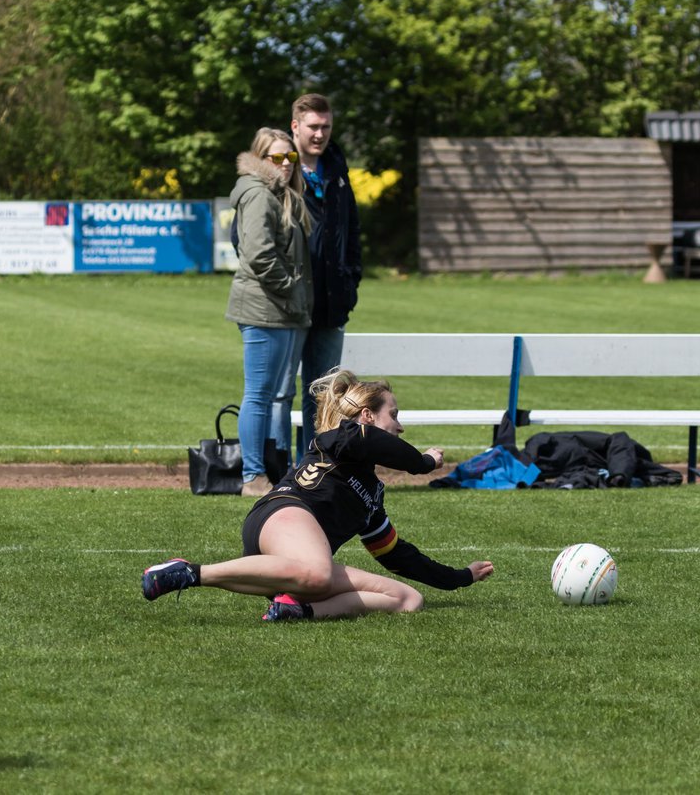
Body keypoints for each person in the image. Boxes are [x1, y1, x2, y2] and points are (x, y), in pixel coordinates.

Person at [143, 369, 495, 620]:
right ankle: (189, 572)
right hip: (281, 516)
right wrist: (423, 462)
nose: (400, 426)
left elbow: (396, 555)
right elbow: (369, 440)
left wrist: (460, 577)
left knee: (407, 599)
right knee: (318, 572)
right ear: (367, 416)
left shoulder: (371, 493)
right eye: (394, 415)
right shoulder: (340, 439)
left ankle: (296, 609)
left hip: (301, 563)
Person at [270, 93, 362, 463]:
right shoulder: (278, 167)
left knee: (326, 394)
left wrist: (350, 282)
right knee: (280, 393)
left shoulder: (338, 172)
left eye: (326, 126)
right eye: (312, 126)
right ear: (295, 126)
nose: (320, 134)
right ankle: (277, 471)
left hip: (332, 301)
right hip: (290, 301)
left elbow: (352, 233)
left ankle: (316, 468)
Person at [225, 128, 313, 496]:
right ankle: (253, 476)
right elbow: (258, 254)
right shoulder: (259, 193)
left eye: (290, 157)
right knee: (260, 395)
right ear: (262, 159)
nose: (284, 163)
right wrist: (291, 289)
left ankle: (276, 473)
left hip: (284, 310)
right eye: (276, 157)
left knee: (279, 395)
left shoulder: (283, 194)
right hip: (265, 308)